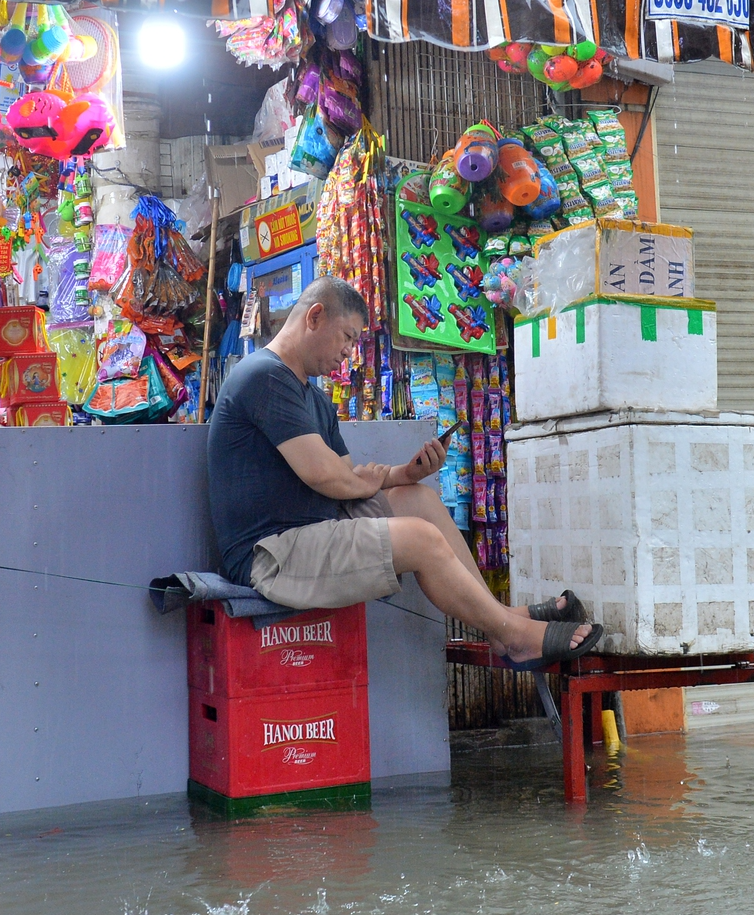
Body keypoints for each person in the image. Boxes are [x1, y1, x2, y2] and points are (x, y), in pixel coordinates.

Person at [207, 274, 600, 668]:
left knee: (420, 502)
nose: (348, 352)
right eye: (346, 336)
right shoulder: (265, 377)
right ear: (314, 317)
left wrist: (404, 475)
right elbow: (326, 476)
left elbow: (347, 479)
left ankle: (502, 619)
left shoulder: (314, 398)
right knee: (421, 539)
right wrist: (367, 478)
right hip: (271, 555)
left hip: (313, 528)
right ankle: (513, 638)